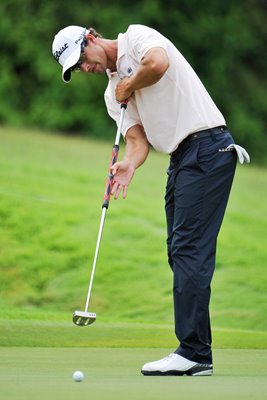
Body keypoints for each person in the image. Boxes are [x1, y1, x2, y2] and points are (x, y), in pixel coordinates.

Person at [52, 24, 249, 376]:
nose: (85, 68)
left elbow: (158, 65)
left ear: (92, 38)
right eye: (77, 68)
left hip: (208, 146)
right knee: (179, 249)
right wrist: (129, 163)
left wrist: (128, 83)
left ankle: (193, 351)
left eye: (82, 58)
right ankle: (195, 350)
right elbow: (137, 139)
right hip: (182, 158)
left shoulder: (137, 39)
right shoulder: (113, 96)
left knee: (189, 249)